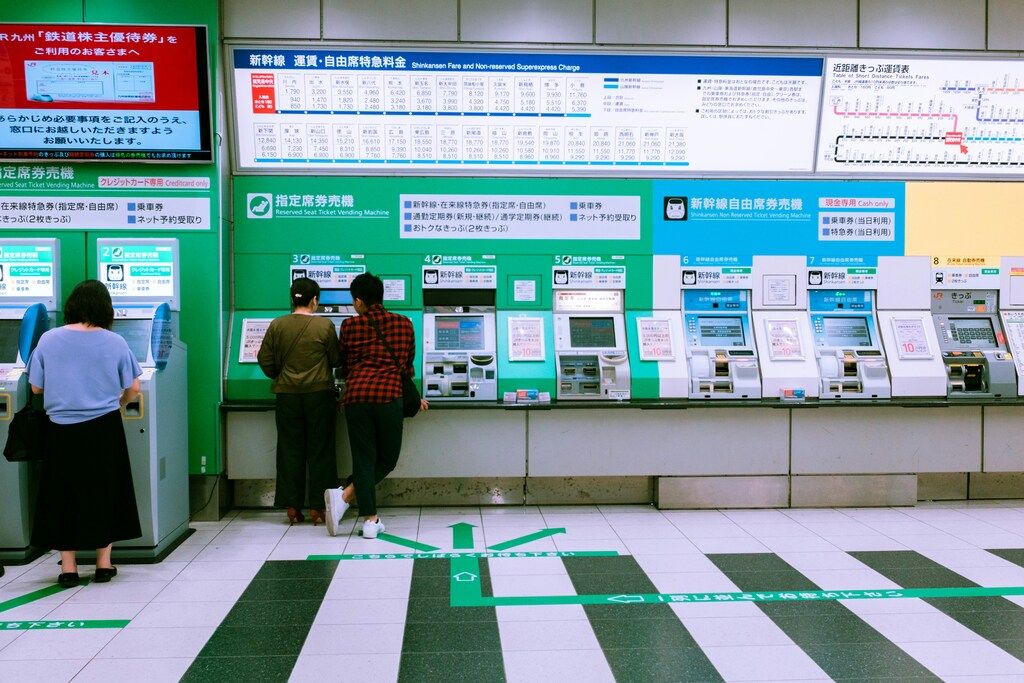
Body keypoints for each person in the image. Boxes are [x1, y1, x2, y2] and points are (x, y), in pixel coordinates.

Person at [28, 280, 143, 588]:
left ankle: (68, 567)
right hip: (103, 427)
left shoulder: (48, 339)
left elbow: (36, 387)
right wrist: (117, 405)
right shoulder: (115, 341)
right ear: (105, 309)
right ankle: (104, 564)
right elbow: (133, 387)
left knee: (62, 494)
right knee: (103, 491)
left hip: (60, 430)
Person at [324, 272, 428, 538]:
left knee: (363, 458)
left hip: (357, 397)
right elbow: (406, 366)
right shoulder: (404, 324)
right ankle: (359, 509)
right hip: (389, 397)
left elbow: (344, 366)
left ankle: (357, 507)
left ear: (359, 301)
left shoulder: (349, 326)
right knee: (387, 459)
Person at [258, 277, 341, 525]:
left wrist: (280, 375)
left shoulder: (277, 325)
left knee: (289, 450)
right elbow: (336, 359)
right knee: (321, 451)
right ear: (314, 300)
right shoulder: (324, 327)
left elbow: (265, 359)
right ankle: (319, 508)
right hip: (319, 396)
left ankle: (292, 507)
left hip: (287, 397)